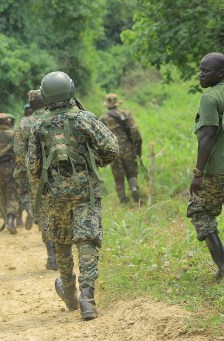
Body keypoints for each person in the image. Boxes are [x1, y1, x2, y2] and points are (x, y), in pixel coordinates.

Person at [27, 71, 118, 320]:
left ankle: (69, 291)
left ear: (45, 96)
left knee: (62, 243)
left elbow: (33, 167)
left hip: (56, 194)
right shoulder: (85, 119)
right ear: (71, 90)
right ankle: (87, 297)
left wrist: (49, 183)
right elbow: (111, 147)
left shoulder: (38, 126)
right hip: (86, 191)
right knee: (87, 240)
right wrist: (96, 163)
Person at [187, 52, 224, 280]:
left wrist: (198, 173)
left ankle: (223, 265)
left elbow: (207, 136)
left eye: (206, 71)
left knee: (200, 211)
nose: (201, 74)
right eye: (201, 69)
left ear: (221, 72)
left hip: (218, 170)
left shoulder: (210, 97)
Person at [15, 89, 55, 269]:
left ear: (30, 104)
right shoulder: (55, 117)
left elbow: (20, 154)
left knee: (45, 215)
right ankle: (65, 253)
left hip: (38, 178)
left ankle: (52, 256)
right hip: (62, 175)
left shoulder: (25, 123)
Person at [99, 93, 142, 204]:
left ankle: (123, 200)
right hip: (128, 148)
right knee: (132, 172)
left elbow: (99, 137)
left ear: (107, 105)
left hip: (113, 151)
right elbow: (135, 132)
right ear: (117, 103)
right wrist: (137, 149)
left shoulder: (103, 119)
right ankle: (134, 189)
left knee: (118, 176)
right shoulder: (126, 114)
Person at [0, 113, 19, 234]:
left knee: (1, 194)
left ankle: (5, 220)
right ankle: (11, 220)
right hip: (10, 166)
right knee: (12, 194)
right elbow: (17, 152)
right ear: (8, 122)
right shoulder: (13, 134)